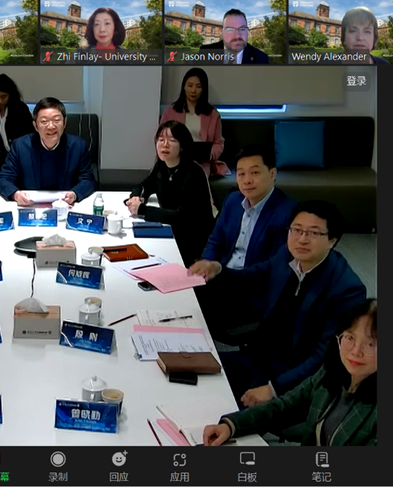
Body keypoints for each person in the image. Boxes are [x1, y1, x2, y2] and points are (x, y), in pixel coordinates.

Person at [189, 200, 366, 409]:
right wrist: (217, 268)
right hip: (256, 357)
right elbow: (250, 277)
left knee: (215, 412)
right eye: (296, 230)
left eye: (313, 233)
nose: (302, 239)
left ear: (332, 240)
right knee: (187, 370)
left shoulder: (346, 290)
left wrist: (273, 388)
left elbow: (323, 357)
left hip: (292, 377)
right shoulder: (286, 255)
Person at [203, 299, 377, 446]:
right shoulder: (331, 372)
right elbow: (285, 407)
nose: (356, 351)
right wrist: (231, 425)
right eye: (350, 338)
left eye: (371, 344)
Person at [190, 145, 297, 331]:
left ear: (272, 174)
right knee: (178, 295)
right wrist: (207, 266)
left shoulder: (287, 214)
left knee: (194, 314)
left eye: (254, 172)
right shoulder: (233, 201)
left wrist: (222, 272)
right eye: (241, 174)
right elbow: (216, 241)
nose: (247, 180)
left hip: (253, 289)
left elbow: (272, 269)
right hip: (222, 277)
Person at [125, 121, 215, 265]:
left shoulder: (193, 174)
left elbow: (182, 217)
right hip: (172, 231)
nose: (165, 144)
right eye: (161, 139)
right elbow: (144, 185)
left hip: (193, 241)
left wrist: (142, 210)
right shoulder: (162, 166)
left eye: (172, 140)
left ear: (182, 146)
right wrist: (136, 196)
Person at [0, 97, 96, 206]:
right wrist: (15, 194)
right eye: (44, 121)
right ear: (35, 125)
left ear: (65, 122)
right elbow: (3, 179)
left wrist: (75, 194)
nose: (51, 126)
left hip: (65, 205)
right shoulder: (20, 146)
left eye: (56, 120)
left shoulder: (78, 146)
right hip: (30, 205)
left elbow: (88, 180)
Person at [160, 67, 228, 178]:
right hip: (175, 159)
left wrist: (210, 155)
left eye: (198, 86)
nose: (193, 90)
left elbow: (218, 142)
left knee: (195, 178)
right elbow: (160, 137)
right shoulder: (170, 111)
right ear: (184, 87)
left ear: (204, 89)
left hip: (201, 162)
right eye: (190, 85)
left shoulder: (213, 114)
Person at [199, 9, 269, 64]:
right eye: (230, 30)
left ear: (247, 32)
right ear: (222, 33)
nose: (237, 35)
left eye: (242, 29)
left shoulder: (261, 59)